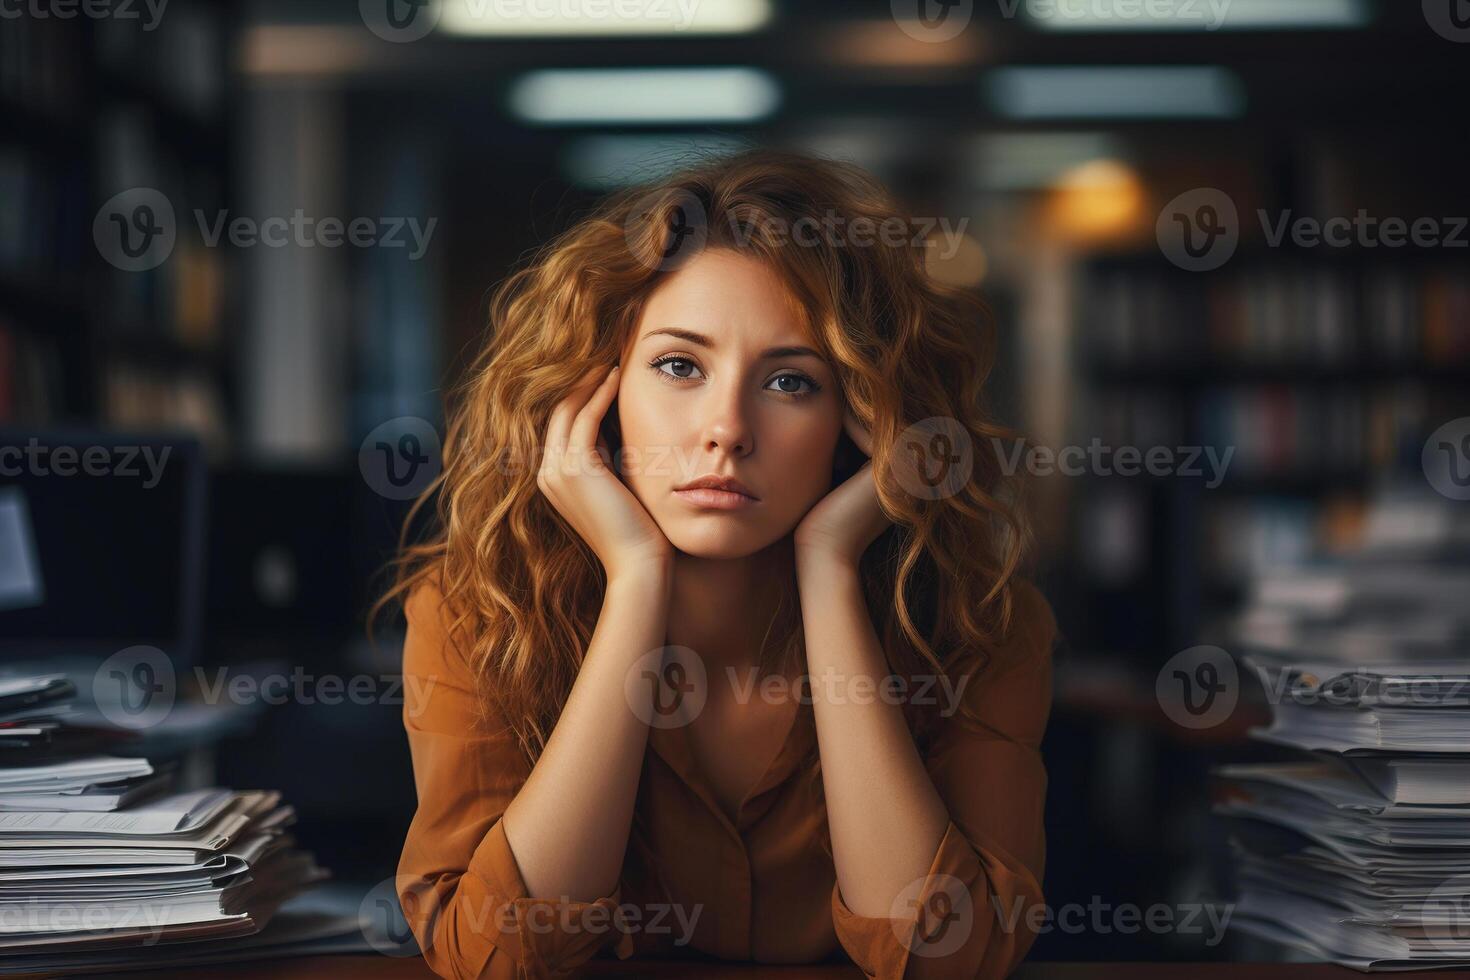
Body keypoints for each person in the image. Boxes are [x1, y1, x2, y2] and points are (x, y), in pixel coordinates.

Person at [378, 148, 1057, 979]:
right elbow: (491, 957)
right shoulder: (472, 610)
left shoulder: (980, 621)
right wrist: (634, 579)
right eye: (678, 366)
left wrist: (831, 568)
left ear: (863, 418)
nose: (727, 428)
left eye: (790, 382)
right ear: (595, 390)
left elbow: (952, 958)